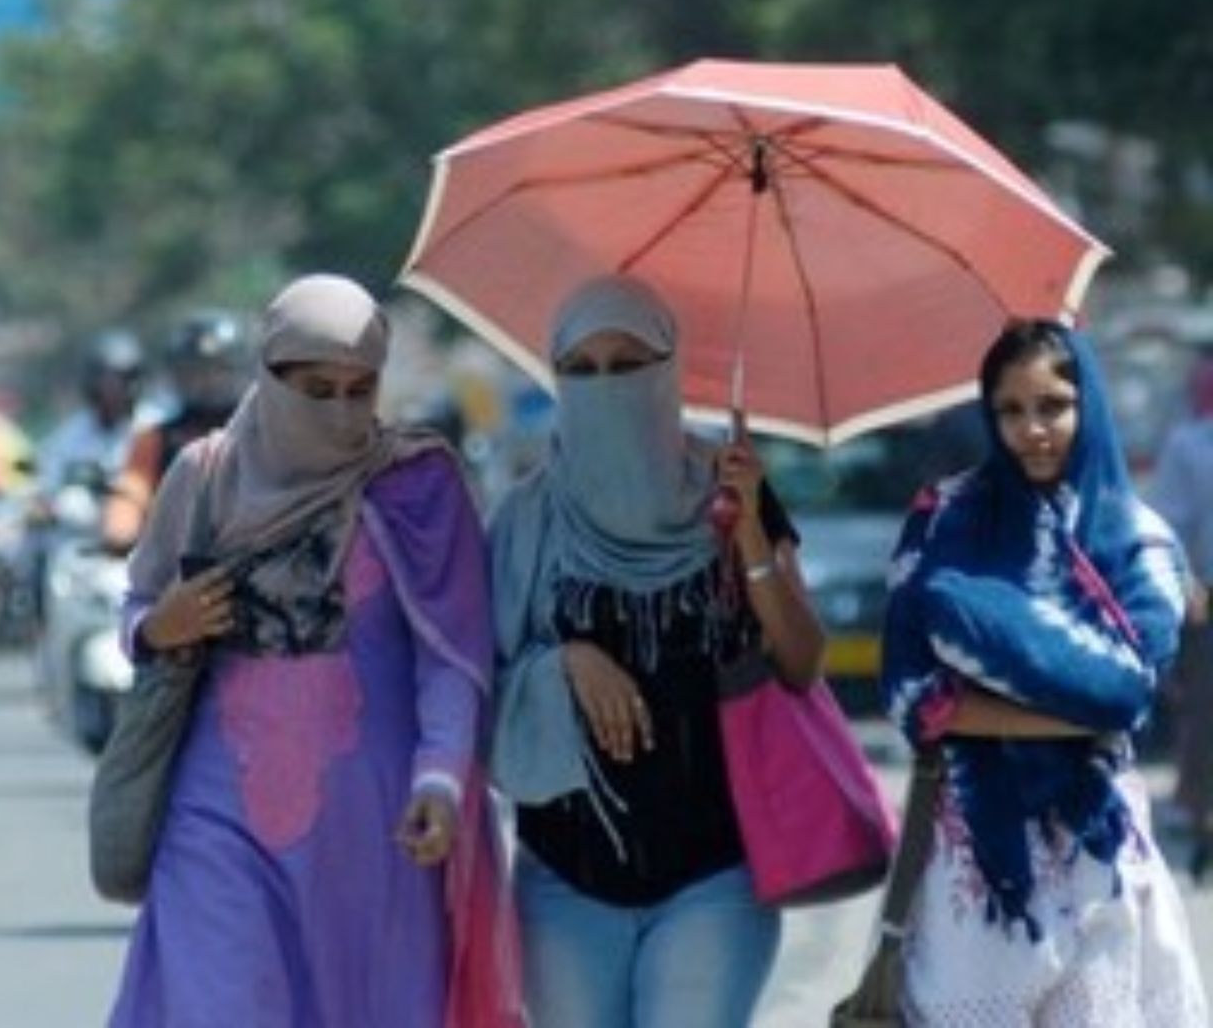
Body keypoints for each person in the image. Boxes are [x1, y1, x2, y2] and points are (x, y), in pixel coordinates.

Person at [108, 275, 521, 1027]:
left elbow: (452, 657)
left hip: (381, 828)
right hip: (216, 812)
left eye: (359, 389)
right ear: (268, 377)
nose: (339, 412)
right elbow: (137, 606)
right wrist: (158, 627)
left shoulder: (418, 487)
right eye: (316, 388)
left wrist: (440, 780)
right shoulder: (205, 477)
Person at [487, 276, 826, 1027]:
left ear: (669, 369)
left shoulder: (734, 496)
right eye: (582, 370)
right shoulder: (524, 520)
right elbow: (477, 690)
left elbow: (802, 661)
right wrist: (566, 664)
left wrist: (746, 535)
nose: (607, 386)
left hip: (716, 874)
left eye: (629, 363)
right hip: (563, 879)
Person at [881, 320, 1207, 1023]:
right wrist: (1072, 701)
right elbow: (911, 695)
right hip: (972, 858)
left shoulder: (1137, 536)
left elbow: (1131, 692)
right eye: (1010, 410)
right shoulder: (945, 520)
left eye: (1053, 406)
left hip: (1100, 850)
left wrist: (978, 649)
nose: (1032, 429)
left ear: (1087, 405)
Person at [100, 309, 249, 551]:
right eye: (193, 373)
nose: (204, 383)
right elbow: (132, 490)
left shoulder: (263, 433)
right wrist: (120, 526)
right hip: (177, 569)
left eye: (215, 371)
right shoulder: (157, 438)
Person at [1146, 352, 1213, 872]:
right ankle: (1196, 810)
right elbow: (1168, 529)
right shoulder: (1191, 443)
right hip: (1206, 601)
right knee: (1203, 713)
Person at [35, 329, 148, 493]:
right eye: (106, 381)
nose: (112, 390)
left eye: (120, 380)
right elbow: (49, 473)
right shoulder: (74, 432)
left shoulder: (151, 427)